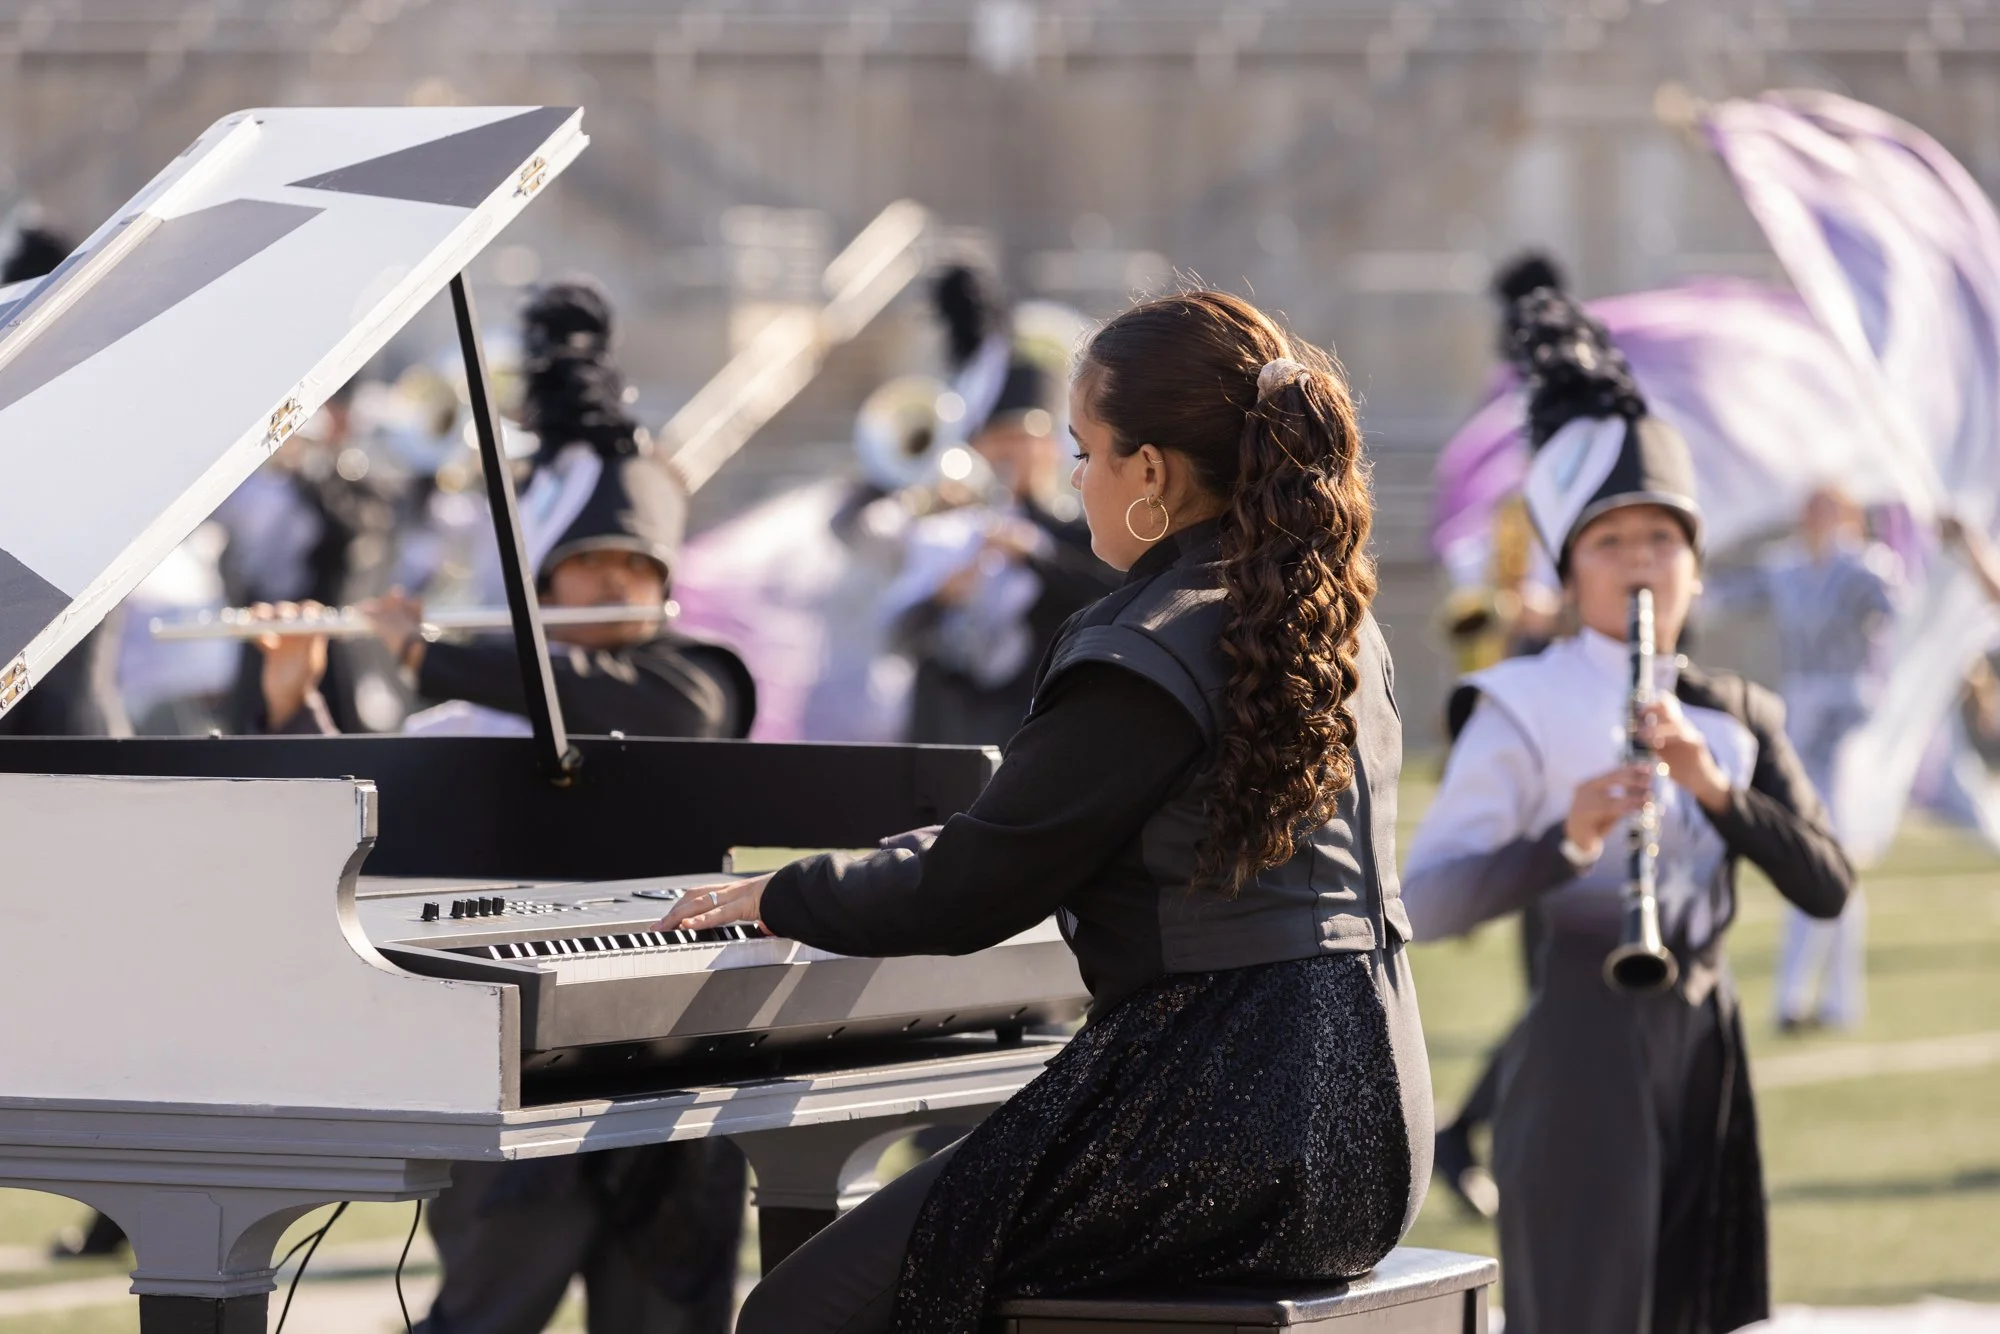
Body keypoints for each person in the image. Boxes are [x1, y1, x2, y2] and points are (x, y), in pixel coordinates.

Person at [661, 290, 1430, 1334]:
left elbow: (971, 889)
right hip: (1376, 1120)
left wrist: (782, 893)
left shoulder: (1147, 643)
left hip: (1224, 1116)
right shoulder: (1329, 621)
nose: (1073, 480)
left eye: (1084, 451)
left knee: (799, 1312)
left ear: (1149, 471)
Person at [256, 282, 752, 1334]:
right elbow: (349, 824)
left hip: (678, 1065)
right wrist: (296, 699)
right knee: (487, 1313)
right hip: (514, 1063)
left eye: (634, 565)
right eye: (586, 565)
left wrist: (430, 649)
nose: (612, 583)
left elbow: (628, 706)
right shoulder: (466, 719)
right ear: (540, 586)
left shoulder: (693, 679)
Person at [1402, 270, 1853, 1334]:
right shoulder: (1518, 701)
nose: (1641, 560)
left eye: (1662, 539)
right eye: (1610, 541)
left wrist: (1713, 789)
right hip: (1577, 1064)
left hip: (1707, 1061)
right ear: (1569, 570)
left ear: (1697, 563)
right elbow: (1428, 901)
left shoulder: (1736, 713)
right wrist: (1565, 840)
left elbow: (1826, 886)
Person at [894, 265, 1113, 745]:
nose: (1017, 452)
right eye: (1003, 437)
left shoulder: (1077, 530)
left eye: (1029, 437)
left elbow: (1105, 596)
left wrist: (1032, 556)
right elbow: (897, 635)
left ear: (1051, 447)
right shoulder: (942, 523)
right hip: (943, 731)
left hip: (1034, 732)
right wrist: (942, 596)